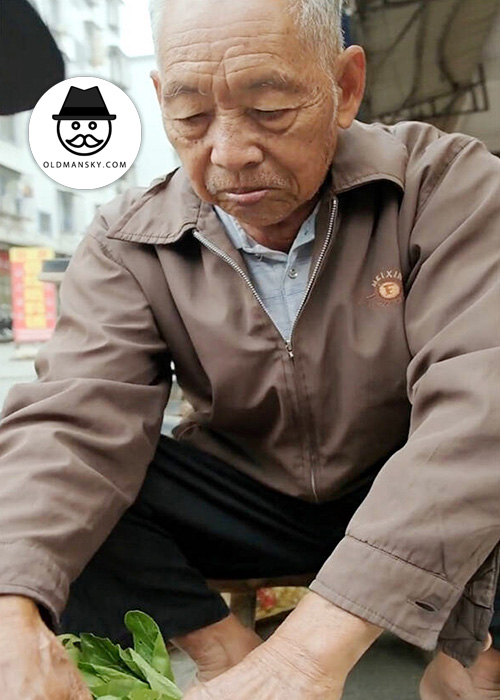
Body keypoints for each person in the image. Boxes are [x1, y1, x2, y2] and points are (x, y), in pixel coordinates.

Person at [0, 0, 499, 698]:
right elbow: (72, 424)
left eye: (269, 109)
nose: (230, 153)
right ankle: (223, 650)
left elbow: (481, 403)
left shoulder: (447, 185)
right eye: (192, 117)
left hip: (403, 488)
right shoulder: (128, 241)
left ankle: (475, 656)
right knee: (55, 498)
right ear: (158, 103)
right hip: (246, 503)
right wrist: (10, 608)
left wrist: (302, 661)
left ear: (345, 87)